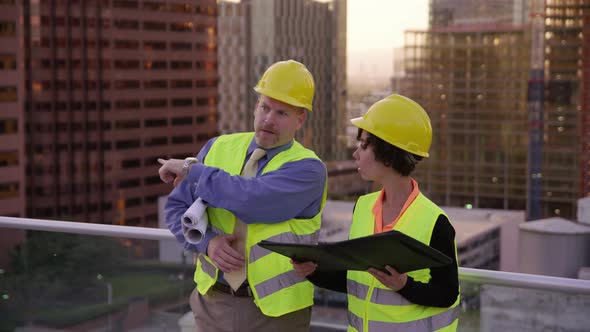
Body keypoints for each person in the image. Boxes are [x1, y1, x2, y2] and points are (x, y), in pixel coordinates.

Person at [158, 60, 327, 332]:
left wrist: (192, 169)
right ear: (255, 106)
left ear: (300, 119)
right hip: (213, 303)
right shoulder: (219, 147)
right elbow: (176, 207)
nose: (269, 119)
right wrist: (208, 244)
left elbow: (251, 201)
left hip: (277, 315)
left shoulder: (308, 169)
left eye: (282, 113)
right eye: (264, 107)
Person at [292, 94, 460, 331]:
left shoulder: (435, 223)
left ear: (388, 153)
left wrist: (404, 285)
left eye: (364, 144)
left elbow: (447, 294)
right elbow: (359, 279)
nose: (355, 153)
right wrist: (314, 272)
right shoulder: (363, 207)